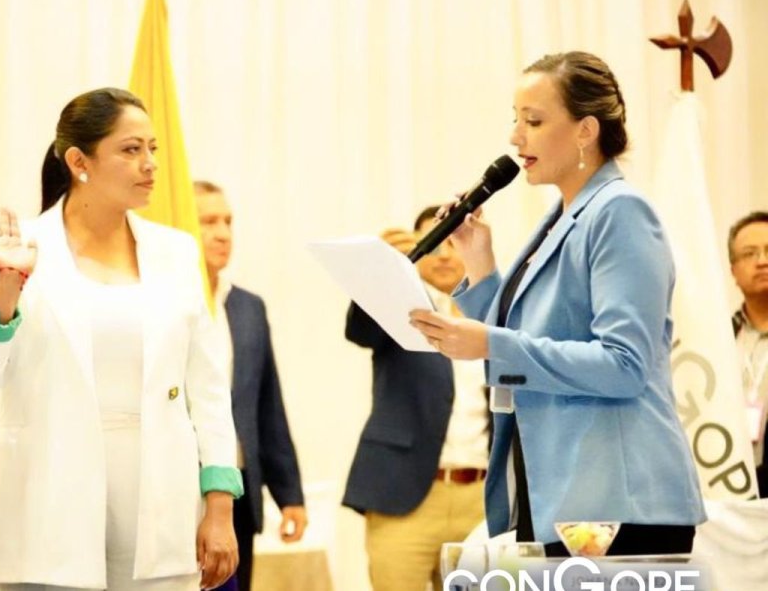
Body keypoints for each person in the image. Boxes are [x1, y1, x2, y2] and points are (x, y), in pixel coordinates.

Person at [410, 51, 705, 556]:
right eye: (516, 119)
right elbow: (528, 336)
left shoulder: (620, 212)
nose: (515, 137)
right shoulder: (563, 216)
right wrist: (478, 261)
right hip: (566, 494)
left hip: (620, 502)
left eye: (534, 121)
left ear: (586, 130)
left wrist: (491, 344)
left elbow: (625, 364)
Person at [0, 88, 242, 591]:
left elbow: (210, 392)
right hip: (46, 514)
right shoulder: (20, 248)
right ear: (79, 162)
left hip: (160, 514)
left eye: (152, 148)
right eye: (130, 149)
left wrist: (219, 507)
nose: (150, 163)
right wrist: (6, 291)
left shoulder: (175, 252)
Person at [343, 207, 488, 591]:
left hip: (483, 499)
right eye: (434, 243)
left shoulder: (496, 312)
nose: (443, 255)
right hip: (404, 496)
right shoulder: (400, 307)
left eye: (453, 243)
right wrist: (381, 272)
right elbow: (360, 330)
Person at [194, 180, 307, 591]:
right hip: (177, 492)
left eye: (228, 221)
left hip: (238, 490)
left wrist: (289, 494)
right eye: (208, 222)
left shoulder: (247, 307)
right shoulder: (162, 303)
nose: (223, 233)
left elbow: (266, 406)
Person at [728, 210, 768, 497]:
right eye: (750, 253)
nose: (762, 261)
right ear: (733, 271)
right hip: (729, 487)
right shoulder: (719, 338)